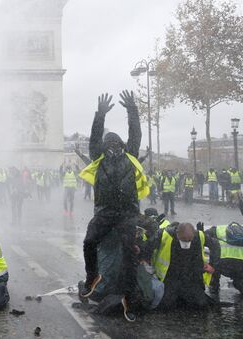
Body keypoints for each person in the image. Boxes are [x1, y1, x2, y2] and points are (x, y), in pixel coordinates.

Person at [78, 91, 148, 322]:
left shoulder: (132, 155)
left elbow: (135, 133)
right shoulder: (98, 157)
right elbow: (94, 136)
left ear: (122, 144)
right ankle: (91, 278)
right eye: (109, 142)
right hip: (106, 212)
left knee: (129, 256)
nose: (113, 144)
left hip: (127, 214)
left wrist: (132, 110)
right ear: (105, 145)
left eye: (116, 142)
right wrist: (100, 114)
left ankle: (130, 295)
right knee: (89, 242)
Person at [145, 223, 216, 309]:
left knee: (200, 304)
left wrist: (212, 265)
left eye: (189, 240)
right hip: (170, 276)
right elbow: (147, 247)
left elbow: (215, 245)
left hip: (191, 276)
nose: (186, 242)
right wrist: (144, 261)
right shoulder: (164, 234)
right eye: (183, 239)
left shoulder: (200, 236)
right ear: (177, 233)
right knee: (165, 305)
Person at [205, 223, 243, 296]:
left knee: (214, 250)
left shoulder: (218, 230)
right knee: (239, 282)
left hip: (220, 264)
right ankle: (239, 283)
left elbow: (203, 240)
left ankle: (214, 285)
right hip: (240, 267)